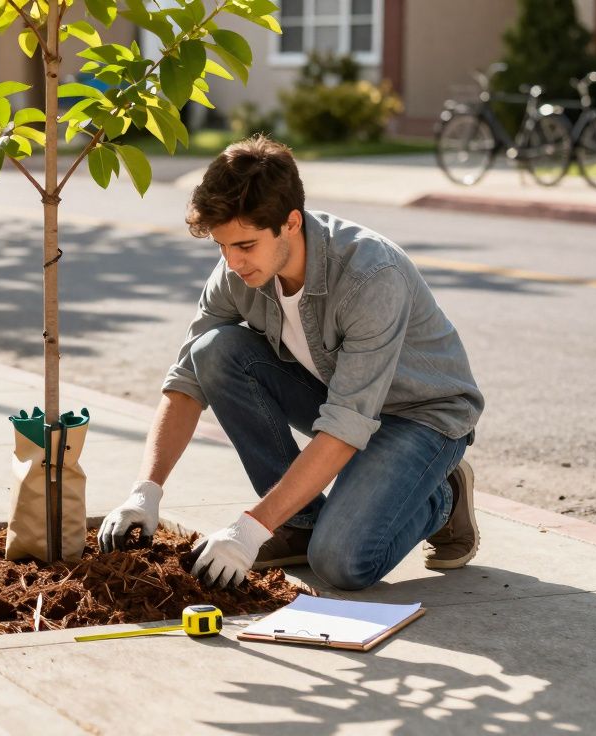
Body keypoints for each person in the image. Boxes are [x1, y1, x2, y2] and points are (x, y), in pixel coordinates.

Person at [97, 136, 485, 591]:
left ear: (291, 222)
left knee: (341, 564)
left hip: (421, 417)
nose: (232, 262)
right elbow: (186, 381)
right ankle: (300, 521)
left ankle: (441, 493)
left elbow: (344, 425)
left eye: (244, 245)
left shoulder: (371, 276)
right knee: (214, 352)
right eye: (222, 247)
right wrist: (146, 490)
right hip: (343, 398)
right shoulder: (238, 271)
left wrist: (250, 529)